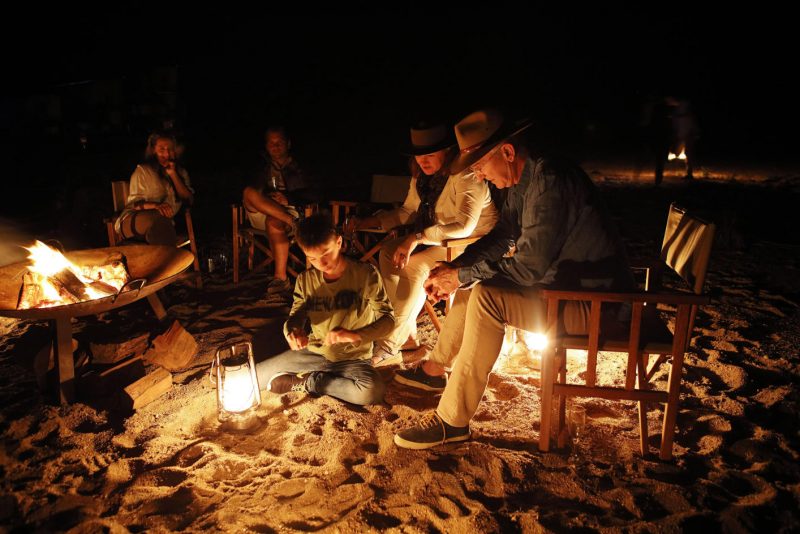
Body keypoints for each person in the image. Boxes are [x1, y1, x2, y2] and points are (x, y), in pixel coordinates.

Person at [393, 109, 634, 449]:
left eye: (480, 166)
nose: (480, 175)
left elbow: (529, 268)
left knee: (486, 296)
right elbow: (504, 233)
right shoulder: (529, 178)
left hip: (599, 306)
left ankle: (452, 420)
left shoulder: (551, 180)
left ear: (506, 153)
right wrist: (456, 271)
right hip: (565, 293)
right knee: (473, 286)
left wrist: (460, 275)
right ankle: (435, 369)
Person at [347, 121, 498, 366]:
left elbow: (464, 226)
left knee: (413, 267)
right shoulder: (423, 179)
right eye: (418, 155)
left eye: (430, 154)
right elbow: (407, 212)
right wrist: (367, 222)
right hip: (442, 240)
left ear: (447, 152)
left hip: (474, 244)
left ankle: (388, 344)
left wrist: (416, 238)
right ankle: (405, 336)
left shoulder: (467, 174)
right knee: (389, 253)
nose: (423, 161)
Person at [255, 214, 394, 405]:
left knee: (371, 392)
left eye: (326, 253)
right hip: (314, 353)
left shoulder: (365, 274)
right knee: (253, 377)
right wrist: (293, 332)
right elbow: (296, 315)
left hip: (353, 359)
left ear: (339, 242)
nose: (322, 263)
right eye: (312, 258)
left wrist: (355, 335)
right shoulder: (306, 280)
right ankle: (315, 376)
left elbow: (388, 320)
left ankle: (310, 382)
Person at [242, 126, 310, 305]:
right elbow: (250, 189)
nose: (275, 146)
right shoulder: (260, 166)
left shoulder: (301, 166)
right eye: (271, 143)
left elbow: (316, 193)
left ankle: (280, 279)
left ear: (288, 143)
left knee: (274, 222)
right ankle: (293, 222)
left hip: (290, 209)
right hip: (265, 209)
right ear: (266, 146)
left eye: (279, 142)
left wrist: (288, 197)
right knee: (249, 192)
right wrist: (267, 197)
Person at [114, 130, 194, 245]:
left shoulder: (181, 173)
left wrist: (173, 174)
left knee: (161, 227)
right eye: (162, 149)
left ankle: (161, 259)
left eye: (170, 149)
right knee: (159, 222)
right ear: (153, 150)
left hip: (163, 225)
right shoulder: (143, 171)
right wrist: (156, 206)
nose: (166, 154)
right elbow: (134, 205)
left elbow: (189, 200)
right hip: (133, 221)